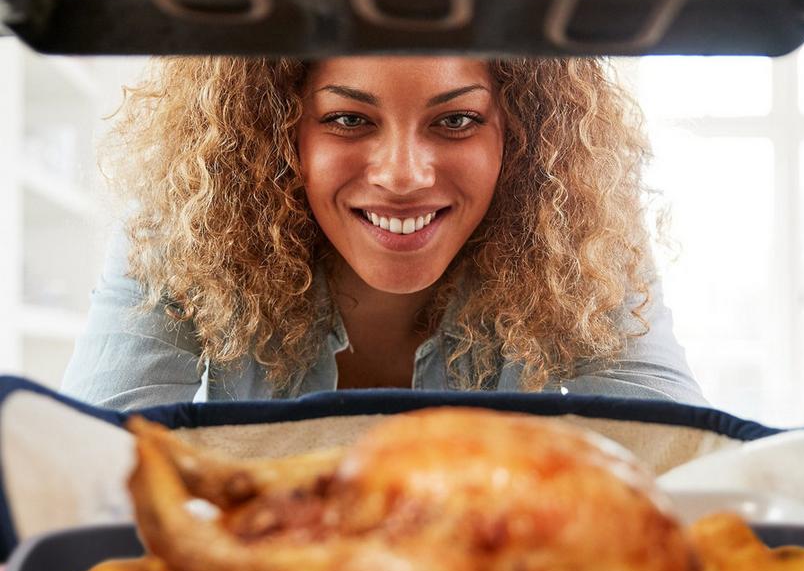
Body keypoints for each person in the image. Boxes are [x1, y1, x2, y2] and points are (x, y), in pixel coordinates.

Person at [61, 55, 705, 411]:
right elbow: (85, 492)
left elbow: (675, 465)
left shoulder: (577, 234)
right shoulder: (187, 226)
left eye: (455, 121)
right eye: (347, 118)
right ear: (278, 129)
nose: (402, 176)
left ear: (521, 133)